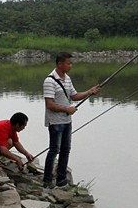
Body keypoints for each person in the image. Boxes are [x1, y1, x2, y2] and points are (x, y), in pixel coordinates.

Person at [42, 52, 101, 188]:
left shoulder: (67, 79)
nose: (70, 66)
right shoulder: (49, 81)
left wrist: (89, 92)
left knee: (65, 149)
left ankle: (61, 179)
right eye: (68, 63)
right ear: (60, 64)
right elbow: (49, 104)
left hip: (67, 122)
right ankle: (47, 180)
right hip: (55, 122)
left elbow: (74, 96)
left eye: (71, 63)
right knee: (54, 150)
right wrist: (67, 109)